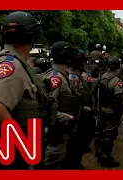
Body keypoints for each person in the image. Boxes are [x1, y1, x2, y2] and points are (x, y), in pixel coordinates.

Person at [0, 11, 48, 170]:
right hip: (11, 158)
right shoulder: (12, 65)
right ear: (31, 36)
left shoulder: (12, 62)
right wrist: (22, 144)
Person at [42, 41, 76, 170]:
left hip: (61, 129)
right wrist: (65, 117)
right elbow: (47, 105)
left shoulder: (62, 75)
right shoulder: (56, 77)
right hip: (56, 131)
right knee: (51, 164)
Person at [65, 51, 94, 169]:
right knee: (74, 146)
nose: (86, 64)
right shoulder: (73, 77)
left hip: (82, 116)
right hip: (76, 118)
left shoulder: (80, 76)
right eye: (84, 61)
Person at [95, 57, 123, 167]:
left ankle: (99, 153)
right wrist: (118, 112)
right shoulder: (117, 81)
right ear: (117, 68)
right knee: (109, 134)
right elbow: (118, 98)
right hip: (111, 111)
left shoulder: (101, 77)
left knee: (100, 132)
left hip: (100, 110)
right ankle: (106, 158)